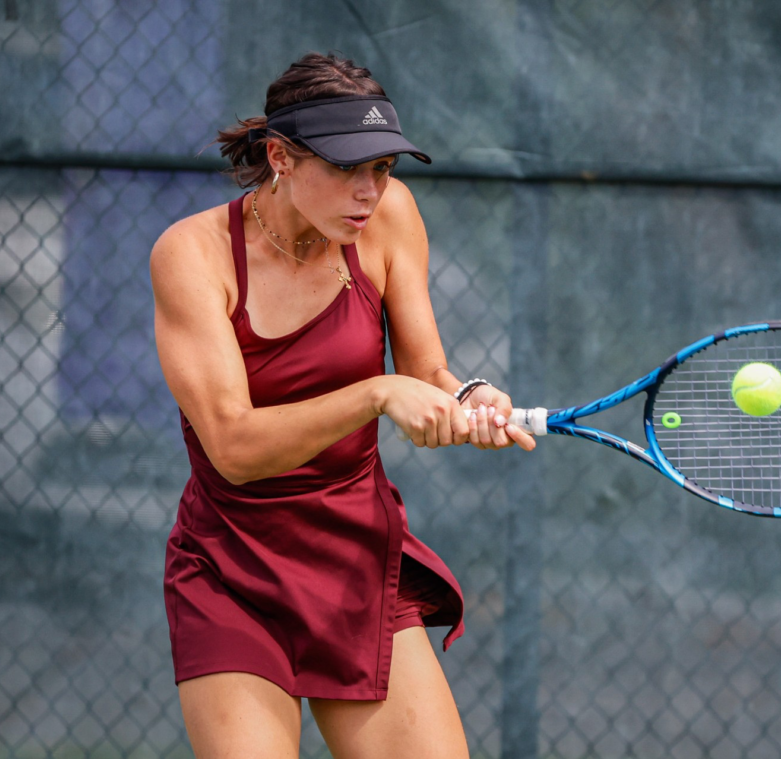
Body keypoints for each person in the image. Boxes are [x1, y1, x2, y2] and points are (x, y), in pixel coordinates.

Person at [150, 52, 534, 759]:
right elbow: (233, 448)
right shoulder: (194, 255)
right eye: (347, 168)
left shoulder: (390, 220)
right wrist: (377, 393)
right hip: (230, 566)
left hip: (358, 558)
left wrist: (470, 396)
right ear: (281, 158)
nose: (369, 191)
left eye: (383, 169)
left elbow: (427, 371)